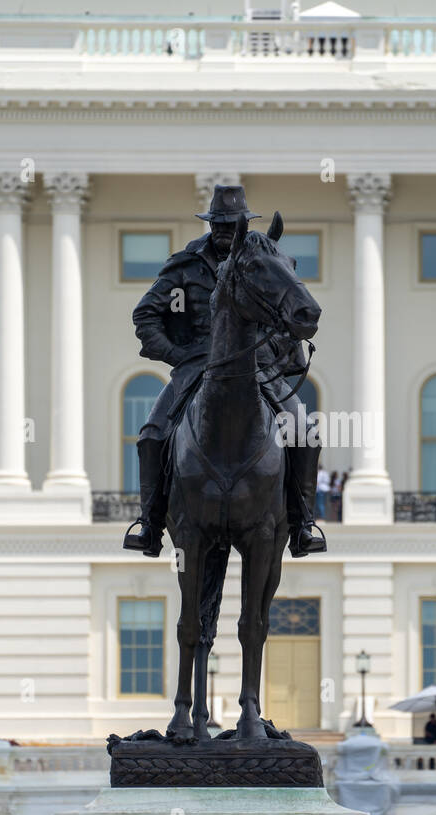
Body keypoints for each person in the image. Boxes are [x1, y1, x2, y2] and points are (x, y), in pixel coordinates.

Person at [121, 185, 327, 559]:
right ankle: (150, 524)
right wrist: (178, 355)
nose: (223, 230)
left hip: (259, 366)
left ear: (245, 225)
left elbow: (289, 317)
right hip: (196, 367)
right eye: (218, 223)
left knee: (305, 432)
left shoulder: (267, 260)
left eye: (231, 224)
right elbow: (146, 315)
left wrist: (272, 352)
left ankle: (302, 524)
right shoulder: (185, 266)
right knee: (152, 435)